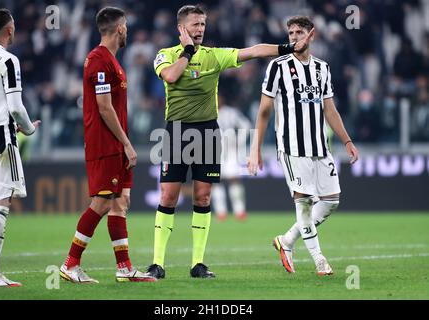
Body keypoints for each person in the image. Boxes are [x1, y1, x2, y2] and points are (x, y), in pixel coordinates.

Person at [147, 5, 314, 279]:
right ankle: (157, 263)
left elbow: (254, 50)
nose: (200, 29)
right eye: (195, 24)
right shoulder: (165, 55)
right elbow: (171, 76)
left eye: (203, 24)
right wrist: (188, 52)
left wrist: (289, 47)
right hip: (177, 132)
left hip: (207, 132)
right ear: (181, 28)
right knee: (168, 196)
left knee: (203, 196)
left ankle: (197, 264)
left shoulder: (214, 56)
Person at [248, 16, 359, 276]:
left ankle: (286, 241)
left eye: (299, 32)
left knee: (332, 200)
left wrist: (347, 140)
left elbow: (329, 109)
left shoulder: (323, 68)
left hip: (320, 146)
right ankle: (319, 259)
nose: (294, 37)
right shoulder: (278, 66)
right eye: (290, 33)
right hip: (291, 147)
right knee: (305, 202)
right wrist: (255, 149)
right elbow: (264, 110)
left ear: (312, 35)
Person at [59, 7, 155, 283]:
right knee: (101, 203)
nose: (128, 31)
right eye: (126, 26)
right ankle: (70, 264)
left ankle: (124, 268)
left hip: (116, 143)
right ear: (120, 28)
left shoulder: (112, 60)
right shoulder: (99, 60)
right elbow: (103, 107)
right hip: (106, 144)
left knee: (120, 202)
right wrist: (126, 142)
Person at [0, 8, 40, 287]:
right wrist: (28, 129)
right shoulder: (9, 60)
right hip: (0, 140)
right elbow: (16, 107)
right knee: (0, 205)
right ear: (9, 30)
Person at [212, 94, 251, 221]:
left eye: (219, 97)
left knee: (234, 179)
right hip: (213, 151)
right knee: (215, 181)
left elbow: (245, 124)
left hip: (230, 151)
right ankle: (220, 212)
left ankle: (240, 211)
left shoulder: (231, 112)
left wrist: (239, 141)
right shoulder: (206, 113)